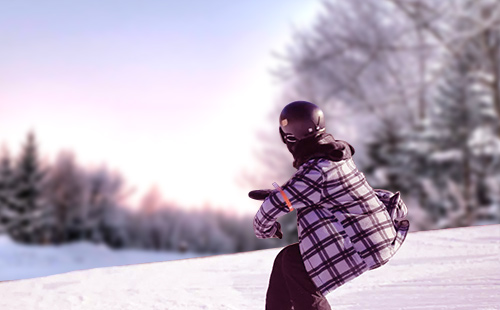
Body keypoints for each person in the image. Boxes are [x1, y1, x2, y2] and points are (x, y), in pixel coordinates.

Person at [250, 101, 409, 310]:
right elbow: (311, 192)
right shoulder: (331, 156)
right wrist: (279, 194)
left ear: (289, 137)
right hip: (369, 235)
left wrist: (265, 229)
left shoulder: (318, 170)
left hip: (364, 244)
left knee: (295, 268)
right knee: (287, 259)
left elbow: (275, 207)